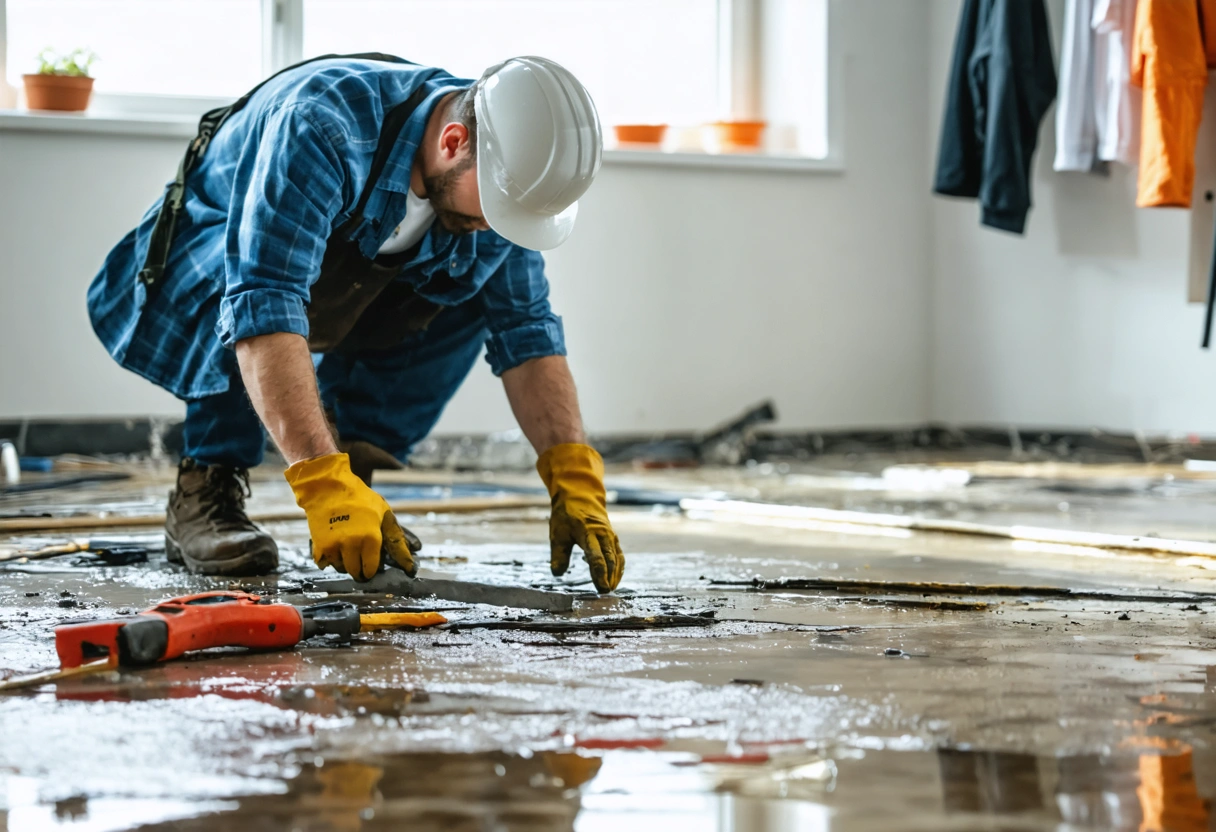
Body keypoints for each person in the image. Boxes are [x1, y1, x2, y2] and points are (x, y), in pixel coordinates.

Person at [86, 54, 624, 593]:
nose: (495, 226)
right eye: (497, 207)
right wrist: (320, 484)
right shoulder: (322, 126)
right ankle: (209, 482)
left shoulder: (493, 187)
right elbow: (263, 300)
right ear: (454, 142)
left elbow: (527, 333)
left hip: (338, 281)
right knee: (249, 284)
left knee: (474, 288)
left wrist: (573, 476)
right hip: (217, 253)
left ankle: (356, 482)